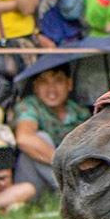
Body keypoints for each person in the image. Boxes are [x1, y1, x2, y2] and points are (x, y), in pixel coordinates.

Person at [12, 64, 91, 195]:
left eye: (58, 81)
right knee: (41, 138)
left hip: (65, 177)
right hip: (32, 181)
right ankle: (76, 193)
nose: (51, 89)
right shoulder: (29, 105)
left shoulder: (79, 112)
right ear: (35, 87)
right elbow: (23, 138)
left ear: (69, 84)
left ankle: (73, 192)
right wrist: (64, 163)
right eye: (44, 82)